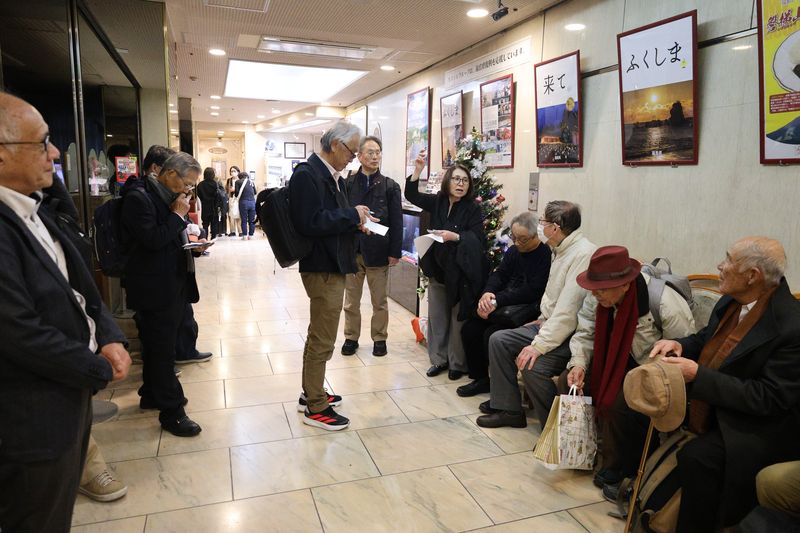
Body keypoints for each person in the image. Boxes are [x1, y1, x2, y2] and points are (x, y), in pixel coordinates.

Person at [0, 91, 131, 532]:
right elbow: (18, 331)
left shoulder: (37, 206)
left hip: (65, 397)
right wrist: (95, 368)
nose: (55, 154)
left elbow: (79, 285)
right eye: (41, 143)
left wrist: (109, 334)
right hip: (30, 416)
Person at [650, 237, 800, 532]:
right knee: (648, 405)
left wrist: (699, 376)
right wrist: (680, 345)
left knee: (698, 458)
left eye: (729, 260)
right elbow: (707, 340)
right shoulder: (731, 300)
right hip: (719, 401)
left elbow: (768, 398)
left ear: (752, 276)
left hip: (760, 424)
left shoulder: (791, 325)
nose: (720, 266)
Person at [563, 246, 694, 493]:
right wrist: (578, 363)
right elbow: (585, 332)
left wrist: (649, 376)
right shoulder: (597, 297)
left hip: (649, 370)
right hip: (610, 358)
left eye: (602, 289)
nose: (595, 294)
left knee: (619, 403)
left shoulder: (663, 302)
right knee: (568, 382)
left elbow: (682, 348)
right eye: (593, 287)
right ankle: (583, 448)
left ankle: (623, 466)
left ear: (625, 285)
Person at [476, 200, 596, 429]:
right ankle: (510, 409)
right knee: (498, 340)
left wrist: (538, 346)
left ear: (555, 227)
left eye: (543, 221)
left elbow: (568, 313)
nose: (540, 225)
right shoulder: (560, 249)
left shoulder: (582, 254)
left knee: (531, 363)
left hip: (568, 333)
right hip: (548, 323)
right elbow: (552, 298)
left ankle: (555, 430)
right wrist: (542, 319)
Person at [289, 121, 374, 431]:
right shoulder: (307, 174)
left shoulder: (328, 175)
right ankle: (316, 405)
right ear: (336, 145)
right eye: (352, 151)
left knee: (320, 332)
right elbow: (309, 222)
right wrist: (351, 214)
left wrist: (355, 222)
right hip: (321, 266)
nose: (353, 158)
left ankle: (311, 392)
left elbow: (329, 219)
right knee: (323, 337)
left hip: (333, 263)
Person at [121, 152, 210, 437]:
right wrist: (177, 216)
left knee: (155, 345)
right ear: (170, 173)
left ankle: (151, 394)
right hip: (153, 287)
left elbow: (169, 238)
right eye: (187, 183)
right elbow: (152, 240)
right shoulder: (139, 198)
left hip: (170, 283)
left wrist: (194, 245)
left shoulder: (163, 196)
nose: (188, 189)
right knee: (162, 351)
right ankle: (172, 412)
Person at [404, 149, 487, 380]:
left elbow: (478, 239)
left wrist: (456, 237)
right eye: (456, 179)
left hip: (460, 273)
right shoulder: (439, 201)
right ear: (448, 181)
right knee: (437, 318)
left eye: (465, 180)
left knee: (457, 319)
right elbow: (412, 195)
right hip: (438, 270)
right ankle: (438, 360)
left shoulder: (472, 208)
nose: (460, 184)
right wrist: (418, 170)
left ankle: (457, 364)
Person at [457, 211, 551, 397]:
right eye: (514, 237)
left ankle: (501, 389)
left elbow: (533, 290)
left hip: (525, 311)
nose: (517, 243)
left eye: (523, 239)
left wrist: (497, 300)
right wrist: (488, 293)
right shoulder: (514, 251)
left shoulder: (545, 255)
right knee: (470, 329)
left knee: (491, 335)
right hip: (503, 305)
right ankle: (481, 380)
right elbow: (500, 274)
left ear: (536, 236)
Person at [341, 136, 402, 357]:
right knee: (351, 301)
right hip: (353, 249)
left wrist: (395, 252)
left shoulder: (390, 186)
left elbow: (397, 222)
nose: (375, 157)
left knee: (379, 301)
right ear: (359, 156)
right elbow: (342, 215)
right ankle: (351, 337)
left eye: (378, 152)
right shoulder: (347, 184)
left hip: (378, 250)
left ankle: (379, 338)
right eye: (370, 152)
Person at [196, 166, 225, 239]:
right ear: (213, 174)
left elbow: (198, 195)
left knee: (205, 224)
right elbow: (218, 195)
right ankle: (213, 237)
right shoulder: (215, 184)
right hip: (214, 207)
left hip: (205, 207)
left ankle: (205, 238)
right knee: (214, 224)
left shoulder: (200, 184)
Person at [235, 171, 256, 240]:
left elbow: (236, 193)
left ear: (239, 177)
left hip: (243, 202)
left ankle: (245, 236)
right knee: (252, 220)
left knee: (244, 220)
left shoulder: (238, 182)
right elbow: (255, 192)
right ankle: (251, 235)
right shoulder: (251, 182)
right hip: (252, 202)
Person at [226, 165, 241, 236]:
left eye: (234, 171)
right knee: (231, 215)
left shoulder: (240, 180)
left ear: (238, 172)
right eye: (231, 171)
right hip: (231, 199)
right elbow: (227, 189)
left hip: (239, 199)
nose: (233, 172)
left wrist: (235, 190)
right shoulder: (229, 180)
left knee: (239, 215)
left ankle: (240, 231)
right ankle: (232, 231)